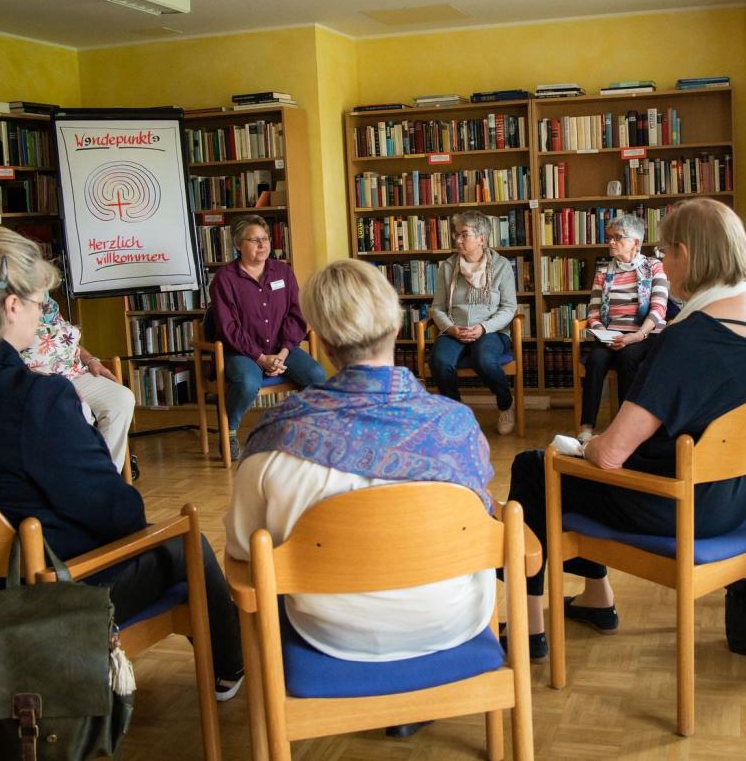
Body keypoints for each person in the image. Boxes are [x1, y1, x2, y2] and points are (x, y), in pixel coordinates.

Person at [0, 226, 244, 699]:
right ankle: (230, 667)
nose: (41, 315)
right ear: (11, 306)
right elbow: (119, 517)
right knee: (182, 544)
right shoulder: (34, 399)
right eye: (40, 303)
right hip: (40, 601)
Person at [505, 199, 746, 658]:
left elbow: (607, 457)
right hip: (735, 499)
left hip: (679, 505)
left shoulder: (688, 338)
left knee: (537, 467)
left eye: (663, 252)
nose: (660, 261)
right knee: (571, 475)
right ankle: (595, 598)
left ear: (684, 254)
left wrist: (584, 443)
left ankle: (530, 626)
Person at [226, 259, 495, 664]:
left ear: (324, 343)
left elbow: (244, 551)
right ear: (398, 327)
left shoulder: (274, 441)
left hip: (328, 631)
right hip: (451, 618)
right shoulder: (457, 426)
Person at [207, 214, 325, 458]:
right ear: (238, 245)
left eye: (265, 239)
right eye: (255, 240)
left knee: (317, 375)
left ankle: (307, 429)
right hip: (242, 351)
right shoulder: (224, 279)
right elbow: (229, 327)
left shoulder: (282, 271)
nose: (263, 245)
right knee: (248, 383)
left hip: (281, 349)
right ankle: (229, 430)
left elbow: (297, 313)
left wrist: (282, 353)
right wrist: (261, 358)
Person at [578, 213, 670, 441]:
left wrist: (637, 335)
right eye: (609, 237)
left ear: (635, 242)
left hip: (645, 335)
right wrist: (605, 334)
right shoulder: (603, 272)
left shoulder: (654, 267)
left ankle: (623, 428)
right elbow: (593, 312)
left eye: (617, 237)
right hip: (612, 336)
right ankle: (586, 428)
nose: (610, 242)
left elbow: (659, 309)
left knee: (627, 357)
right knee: (595, 360)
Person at [428, 210, 519, 435]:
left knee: (484, 359)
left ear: (482, 238)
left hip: (490, 330)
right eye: (456, 235)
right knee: (439, 361)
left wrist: (483, 327)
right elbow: (437, 308)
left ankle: (506, 403)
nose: (457, 240)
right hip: (454, 329)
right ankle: (457, 413)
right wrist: (450, 328)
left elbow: (509, 308)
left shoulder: (501, 265)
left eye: (464, 235)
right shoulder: (448, 267)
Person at [21, 294, 135, 473]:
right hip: (41, 380)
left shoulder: (48, 305)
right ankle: (81, 479)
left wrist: (91, 360)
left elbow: (67, 341)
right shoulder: (6, 309)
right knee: (79, 409)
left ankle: (107, 475)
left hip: (74, 372)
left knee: (121, 398)